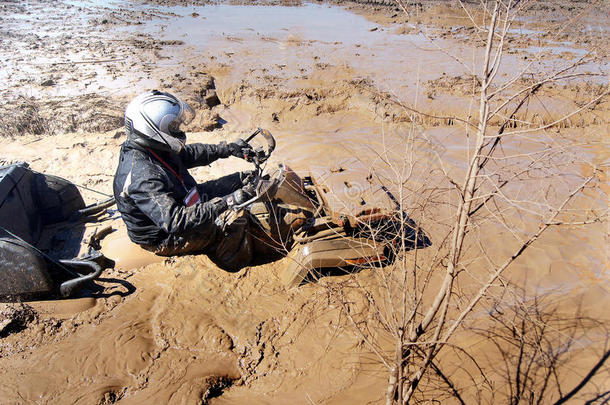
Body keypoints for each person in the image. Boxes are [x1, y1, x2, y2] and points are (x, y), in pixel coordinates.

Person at [113, 90, 256, 270]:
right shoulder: (143, 176)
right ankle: (238, 263)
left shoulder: (151, 145)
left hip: (184, 198)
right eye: (173, 126)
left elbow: (189, 154)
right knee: (227, 225)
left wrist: (227, 149)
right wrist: (229, 201)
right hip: (164, 236)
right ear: (152, 128)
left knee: (241, 180)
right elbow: (175, 221)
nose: (178, 129)